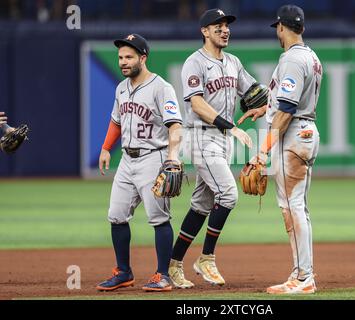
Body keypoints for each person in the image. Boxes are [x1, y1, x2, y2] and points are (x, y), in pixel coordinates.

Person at [168, 8, 257, 289]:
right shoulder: (194, 62)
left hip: (222, 142)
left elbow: (254, 91)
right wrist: (231, 126)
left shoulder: (233, 62)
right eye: (217, 26)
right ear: (204, 31)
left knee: (201, 206)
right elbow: (196, 104)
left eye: (226, 25)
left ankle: (173, 264)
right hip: (200, 137)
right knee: (229, 194)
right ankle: (206, 257)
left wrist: (265, 102)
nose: (224, 30)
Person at [239, 4, 322, 294]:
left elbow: (287, 111)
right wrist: (266, 108)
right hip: (304, 131)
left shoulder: (291, 60)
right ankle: (303, 273)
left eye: (277, 27)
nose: (277, 31)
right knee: (298, 206)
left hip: (293, 135)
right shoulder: (310, 56)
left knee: (292, 207)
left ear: (282, 28)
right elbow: (287, 103)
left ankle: (303, 278)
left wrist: (262, 152)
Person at [96, 33, 183, 292]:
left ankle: (163, 275)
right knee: (116, 215)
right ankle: (123, 272)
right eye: (121, 57)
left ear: (142, 58)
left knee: (158, 218)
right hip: (126, 160)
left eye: (129, 57)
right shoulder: (121, 88)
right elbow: (116, 120)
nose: (123, 62)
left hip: (152, 158)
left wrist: (173, 156)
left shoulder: (161, 87)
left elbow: (175, 125)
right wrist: (105, 148)